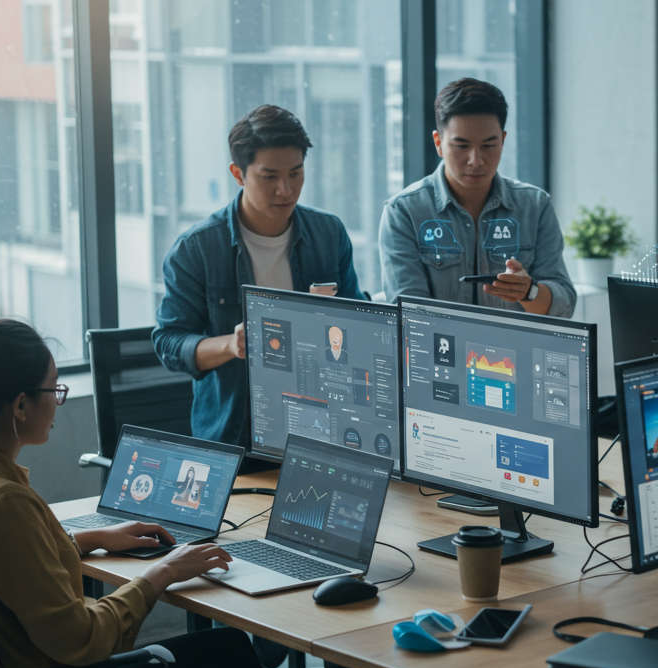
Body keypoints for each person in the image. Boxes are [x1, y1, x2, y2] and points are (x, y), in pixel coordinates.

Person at [0, 315, 325, 668]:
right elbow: (83, 641)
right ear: (19, 407)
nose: (58, 402)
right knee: (228, 659)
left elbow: (7, 562)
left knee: (222, 659)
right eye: (53, 390)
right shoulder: (4, 503)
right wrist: (160, 575)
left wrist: (91, 538)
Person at [154, 104, 362, 446]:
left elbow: (358, 320)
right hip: (237, 436)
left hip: (324, 427)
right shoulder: (197, 249)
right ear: (238, 174)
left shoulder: (328, 234)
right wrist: (231, 344)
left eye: (295, 173)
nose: (286, 189)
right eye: (270, 177)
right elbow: (169, 343)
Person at [380, 78, 575, 317]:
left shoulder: (535, 206)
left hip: (513, 342)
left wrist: (529, 291)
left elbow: (564, 305)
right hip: (440, 342)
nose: (476, 160)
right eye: (462, 146)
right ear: (438, 143)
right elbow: (409, 314)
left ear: (503, 141)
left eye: (488, 145)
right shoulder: (404, 212)